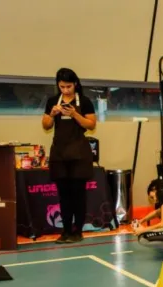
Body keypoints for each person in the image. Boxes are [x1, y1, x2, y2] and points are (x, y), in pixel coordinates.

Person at [41, 68, 96, 244]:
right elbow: (46, 125)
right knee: (63, 195)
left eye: (69, 86)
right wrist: (52, 114)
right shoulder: (52, 101)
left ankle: (77, 231)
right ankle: (65, 231)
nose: (65, 90)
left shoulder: (85, 101)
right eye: (62, 87)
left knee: (78, 194)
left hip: (79, 153)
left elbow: (91, 124)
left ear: (75, 84)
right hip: (60, 153)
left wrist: (74, 114)